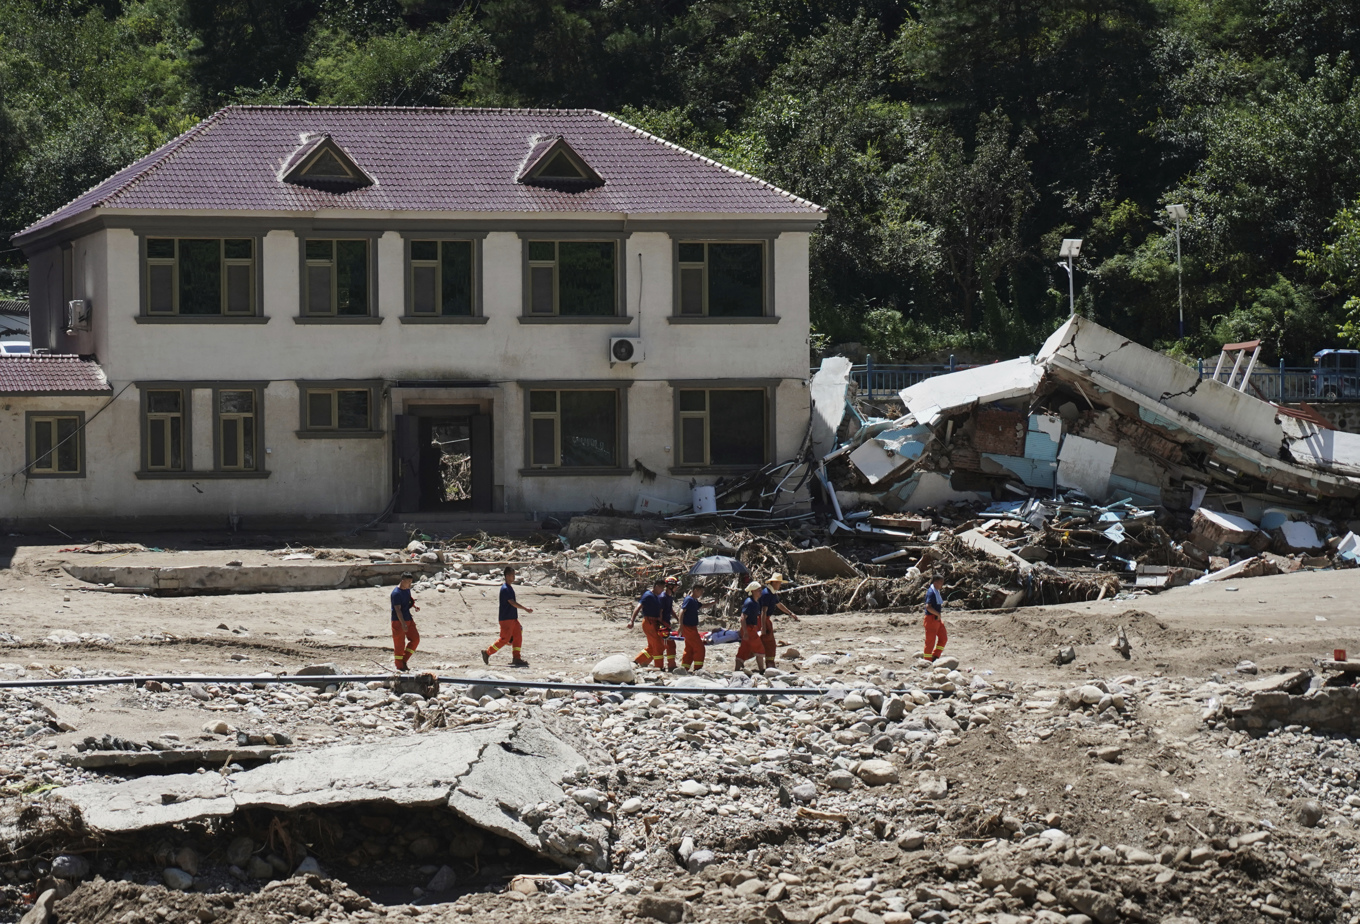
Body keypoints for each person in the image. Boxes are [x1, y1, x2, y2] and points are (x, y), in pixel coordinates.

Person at [484, 566, 532, 667]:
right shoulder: (505, 589)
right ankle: (487, 652)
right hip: (506, 618)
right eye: (512, 575)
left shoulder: (509, 588)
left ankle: (516, 658)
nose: (513, 577)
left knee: (518, 635)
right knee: (505, 639)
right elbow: (512, 602)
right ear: (507, 576)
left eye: (514, 575)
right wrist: (525, 608)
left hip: (513, 618)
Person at [759, 573, 800, 665]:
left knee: (766, 642)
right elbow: (763, 611)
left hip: (765, 619)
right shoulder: (767, 593)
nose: (780, 585)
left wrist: (790, 613)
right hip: (763, 620)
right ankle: (769, 663)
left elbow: (779, 605)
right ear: (774, 583)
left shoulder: (772, 593)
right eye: (779, 583)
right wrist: (763, 627)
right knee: (769, 643)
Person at [628, 579, 666, 669]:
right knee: (657, 645)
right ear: (656, 586)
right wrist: (632, 620)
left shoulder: (656, 597)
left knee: (654, 646)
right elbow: (638, 607)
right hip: (649, 622)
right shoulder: (648, 595)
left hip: (655, 623)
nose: (662, 590)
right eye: (661, 588)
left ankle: (639, 661)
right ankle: (659, 666)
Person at [390, 572, 421, 672]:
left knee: (415, 639)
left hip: (408, 618)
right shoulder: (396, 593)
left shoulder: (407, 590)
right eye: (408, 582)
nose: (410, 584)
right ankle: (399, 666)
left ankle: (404, 660)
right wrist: (403, 623)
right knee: (399, 644)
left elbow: (408, 600)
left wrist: (414, 606)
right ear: (402, 581)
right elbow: (397, 609)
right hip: (398, 621)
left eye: (411, 582)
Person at [678, 583, 711, 672]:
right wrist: (680, 625)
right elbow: (682, 611)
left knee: (689, 648)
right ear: (695, 590)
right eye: (701, 591)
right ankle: (698, 668)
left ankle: (684, 668)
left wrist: (714, 603)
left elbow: (703, 606)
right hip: (688, 627)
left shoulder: (694, 601)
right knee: (699, 648)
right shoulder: (689, 600)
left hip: (692, 627)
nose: (702, 593)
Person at [735, 580, 766, 673]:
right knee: (759, 648)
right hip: (749, 629)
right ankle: (762, 670)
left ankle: (736, 670)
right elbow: (743, 618)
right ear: (752, 591)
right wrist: (745, 632)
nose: (760, 592)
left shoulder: (755, 602)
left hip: (751, 629)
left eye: (760, 590)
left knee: (744, 649)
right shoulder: (750, 603)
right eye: (758, 590)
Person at [657, 576, 680, 671]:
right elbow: (659, 613)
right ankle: (670, 665)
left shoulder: (669, 597)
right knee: (669, 645)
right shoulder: (663, 597)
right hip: (662, 625)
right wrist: (664, 625)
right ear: (670, 586)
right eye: (675, 586)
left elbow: (670, 609)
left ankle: (640, 661)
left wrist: (678, 619)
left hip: (666, 624)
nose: (676, 588)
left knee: (665, 645)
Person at [923, 573, 947, 662]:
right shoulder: (931, 592)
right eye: (941, 582)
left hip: (937, 619)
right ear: (935, 582)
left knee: (943, 638)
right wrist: (937, 614)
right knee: (930, 641)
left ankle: (935, 655)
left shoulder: (936, 591)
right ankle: (927, 660)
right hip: (931, 619)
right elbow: (928, 607)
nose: (942, 585)